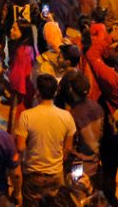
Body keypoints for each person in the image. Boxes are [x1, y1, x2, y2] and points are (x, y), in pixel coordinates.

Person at [15, 74, 76, 206]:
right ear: (55, 92)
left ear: (37, 92)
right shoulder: (66, 117)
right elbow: (68, 148)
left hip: (33, 174)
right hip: (55, 174)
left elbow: (20, 147)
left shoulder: (26, 116)